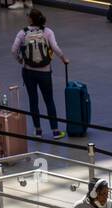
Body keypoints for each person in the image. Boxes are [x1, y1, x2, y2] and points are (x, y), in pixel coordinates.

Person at [10, 9, 69, 141]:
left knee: (33, 100)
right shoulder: (47, 32)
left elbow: (14, 50)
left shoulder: (23, 32)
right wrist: (63, 58)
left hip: (28, 71)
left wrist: (20, 60)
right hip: (45, 72)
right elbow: (55, 47)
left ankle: (38, 131)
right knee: (49, 100)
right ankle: (55, 131)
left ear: (30, 19)